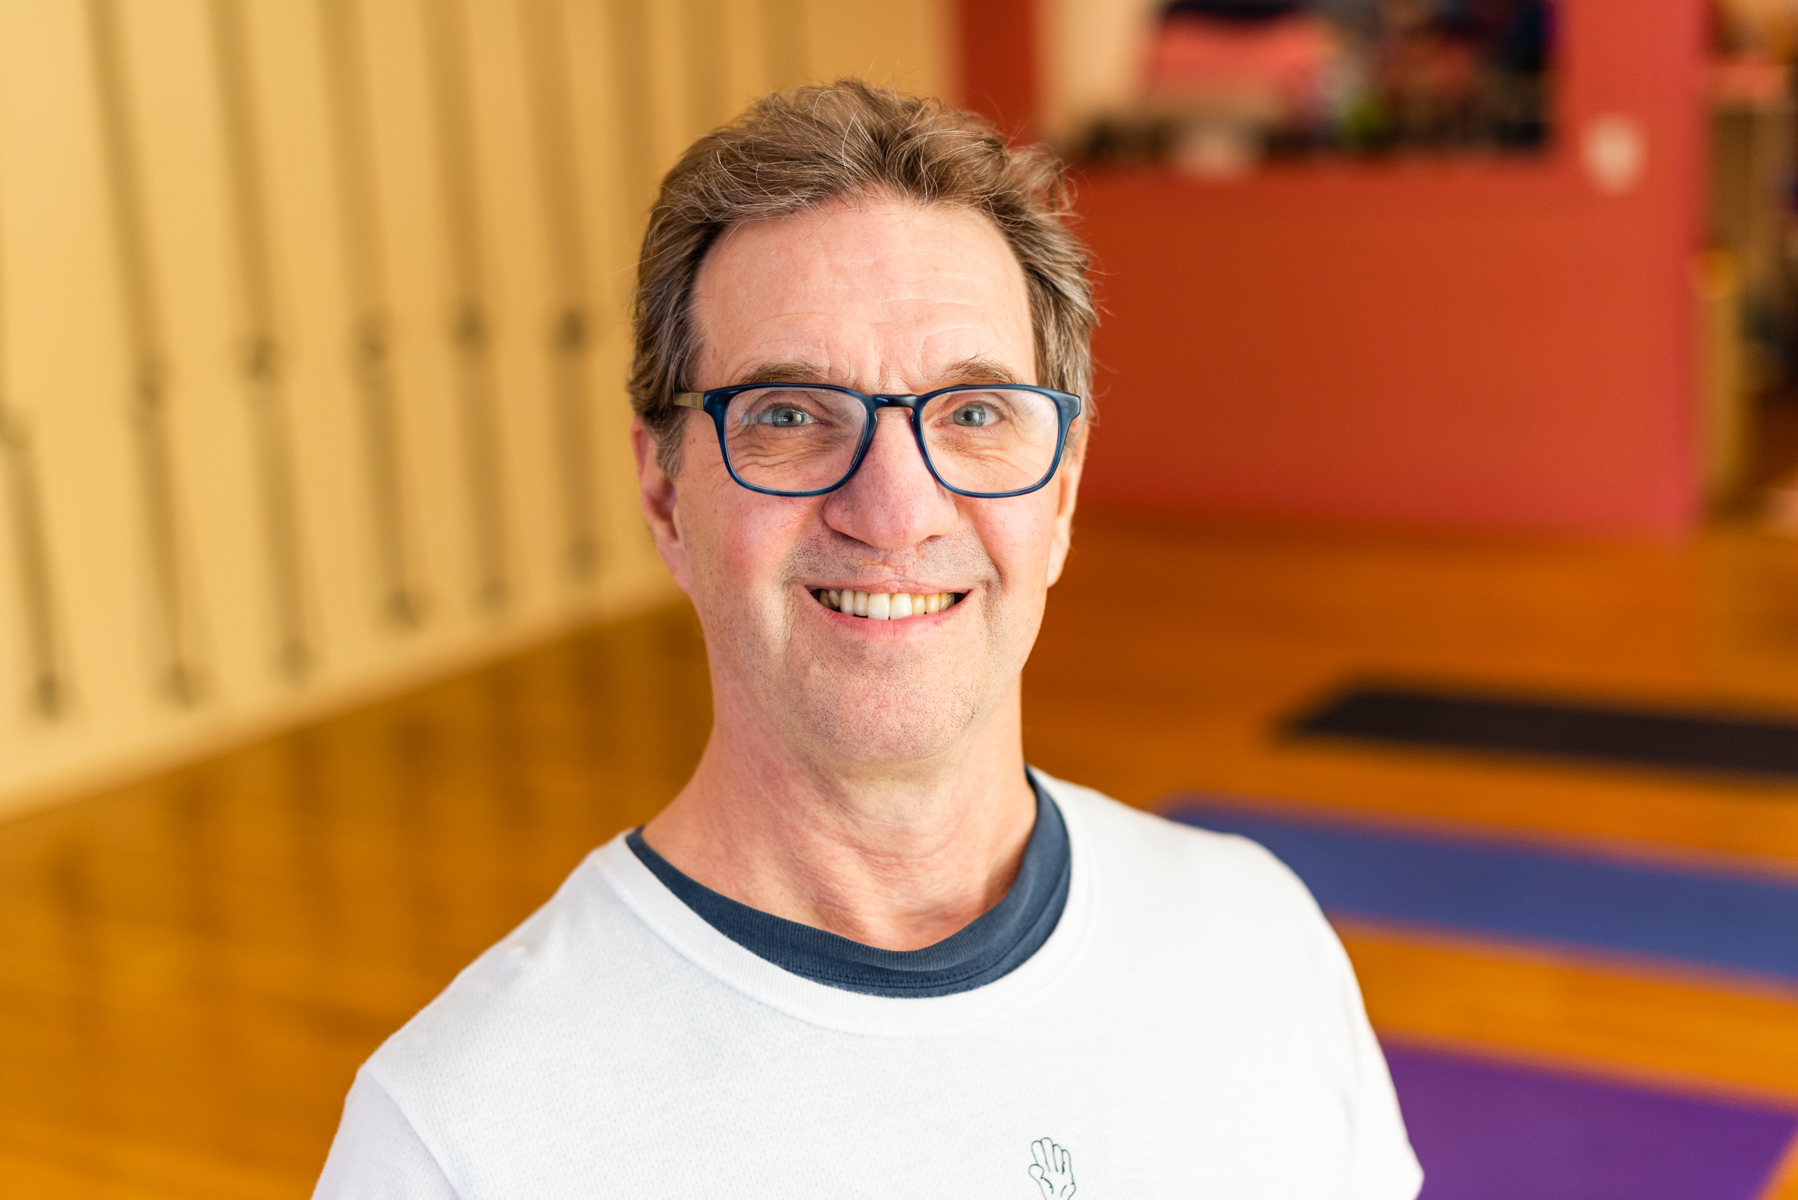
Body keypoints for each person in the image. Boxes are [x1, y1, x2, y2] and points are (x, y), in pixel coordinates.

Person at [313, 79, 1422, 1199]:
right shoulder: (458, 1139)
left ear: (1063, 495)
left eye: (974, 413)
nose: (895, 510)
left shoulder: (1257, 939)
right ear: (664, 496)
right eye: (790, 414)